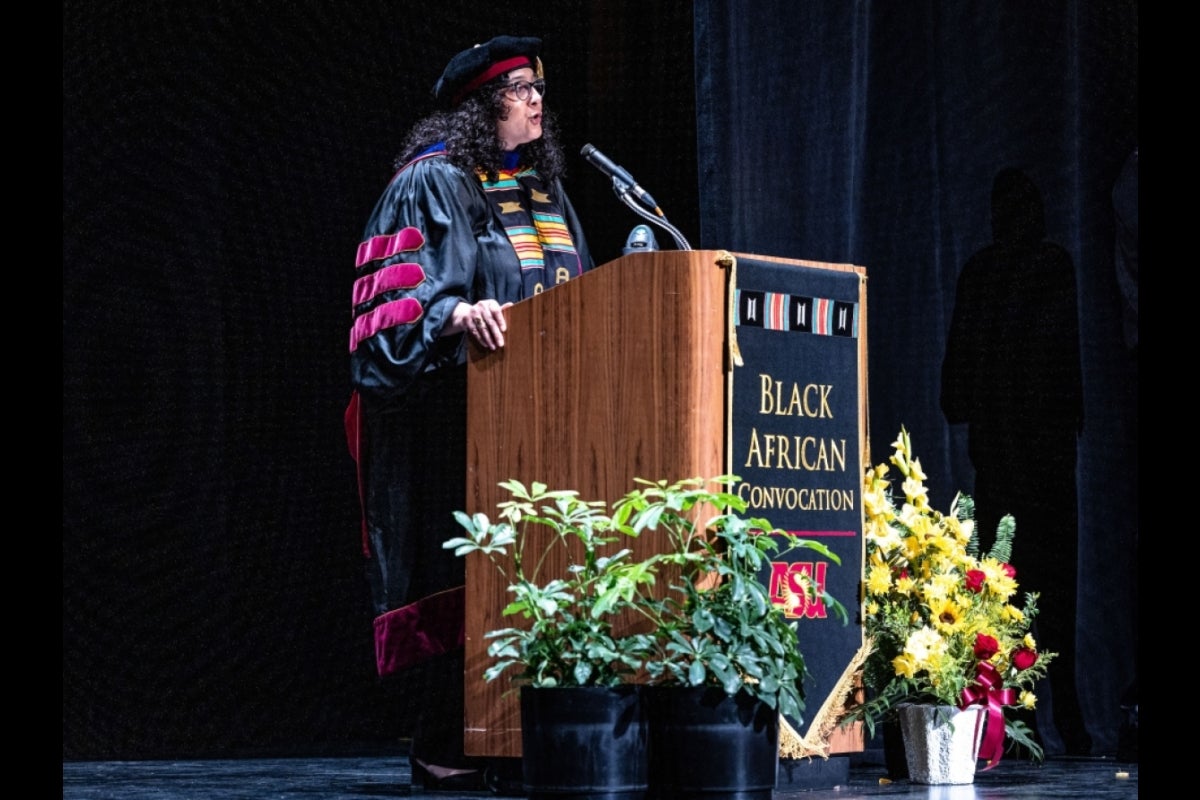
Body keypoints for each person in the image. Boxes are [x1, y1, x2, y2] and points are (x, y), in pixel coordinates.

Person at [345, 35, 593, 788]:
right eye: (519, 87)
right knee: (459, 569)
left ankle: (517, 729)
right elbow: (383, 317)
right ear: (482, 107)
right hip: (450, 422)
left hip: (539, 423)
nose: (536, 99)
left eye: (538, 86)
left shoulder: (546, 192)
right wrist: (454, 314)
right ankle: (445, 739)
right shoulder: (432, 184)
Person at [941, 168, 1089, 757]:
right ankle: (1028, 720)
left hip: (1026, 458)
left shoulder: (1017, 270)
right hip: (1023, 458)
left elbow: (957, 389)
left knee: (1020, 589)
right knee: (1021, 589)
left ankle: (1033, 719)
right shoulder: (1003, 272)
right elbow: (957, 388)